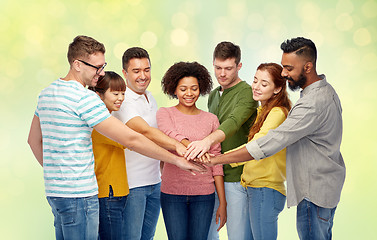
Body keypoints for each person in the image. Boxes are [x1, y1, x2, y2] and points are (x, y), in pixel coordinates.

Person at [27, 35, 205, 240]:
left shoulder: (46, 93)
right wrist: (176, 159)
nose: (101, 73)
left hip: (56, 193)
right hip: (80, 195)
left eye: (103, 66)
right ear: (77, 64)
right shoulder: (84, 98)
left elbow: (33, 141)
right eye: (97, 67)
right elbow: (132, 139)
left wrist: (59, 176)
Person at [206, 37, 346, 240]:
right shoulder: (322, 93)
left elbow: (265, 144)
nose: (284, 73)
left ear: (307, 67)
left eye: (289, 68)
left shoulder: (310, 104)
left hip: (312, 191)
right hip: (321, 187)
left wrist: (216, 159)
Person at [112, 47, 187, 240]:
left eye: (147, 70)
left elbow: (160, 133)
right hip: (132, 186)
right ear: (125, 73)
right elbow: (145, 131)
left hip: (154, 182)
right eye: (136, 71)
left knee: (148, 237)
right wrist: (178, 146)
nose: (142, 76)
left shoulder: (150, 97)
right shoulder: (123, 100)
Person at [185, 41, 258, 240]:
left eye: (228, 68)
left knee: (237, 236)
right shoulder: (214, 95)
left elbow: (233, 123)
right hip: (213, 177)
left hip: (236, 178)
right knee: (207, 234)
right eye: (218, 68)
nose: (222, 74)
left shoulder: (247, 93)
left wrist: (205, 142)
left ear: (239, 66)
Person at [156, 61, 226, 240]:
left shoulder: (211, 119)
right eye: (183, 89)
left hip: (204, 194)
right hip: (172, 193)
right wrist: (196, 148)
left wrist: (222, 202)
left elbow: (217, 161)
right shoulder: (165, 113)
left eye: (194, 88)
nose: (189, 93)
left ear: (201, 88)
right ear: (174, 89)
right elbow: (170, 134)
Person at [228, 63, 292, 239]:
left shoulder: (278, 113)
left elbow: (257, 146)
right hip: (255, 189)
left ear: (278, 88)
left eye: (264, 84)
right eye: (255, 81)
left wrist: (220, 159)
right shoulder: (263, 111)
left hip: (265, 190)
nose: (256, 87)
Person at [89, 71, 128, 239]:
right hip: (108, 193)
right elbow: (132, 141)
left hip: (116, 191)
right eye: (115, 93)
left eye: (123, 93)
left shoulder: (109, 119)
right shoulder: (102, 124)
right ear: (99, 94)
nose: (120, 98)